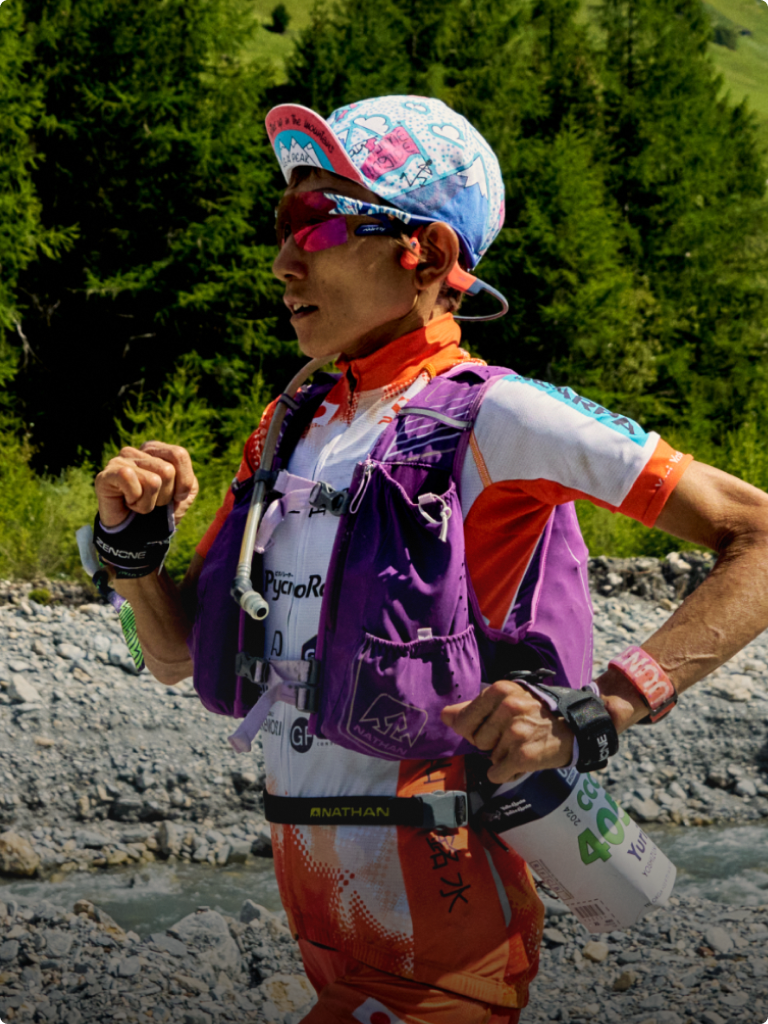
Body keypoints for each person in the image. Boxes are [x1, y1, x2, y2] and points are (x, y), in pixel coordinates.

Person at [94, 96, 768, 1023]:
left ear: (431, 253)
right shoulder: (292, 424)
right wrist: (132, 551)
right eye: (283, 222)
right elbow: (174, 658)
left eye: (316, 220)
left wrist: (601, 707)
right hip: (326, 922)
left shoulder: (505, 416)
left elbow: (756, 532)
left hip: (447, 936)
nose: (284, 258)